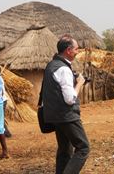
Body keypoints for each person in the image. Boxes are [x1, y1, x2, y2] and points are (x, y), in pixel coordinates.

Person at [42, 35, 90, 174]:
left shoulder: (51, 65)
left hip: (55, 116)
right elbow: (70, 99)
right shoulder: (64, 69)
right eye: (76, 49)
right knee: (83, 148)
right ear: (68, 50)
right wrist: (80, 84)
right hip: (67, 115)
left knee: (65, 150)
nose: (77, 51)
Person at [0, 67, 12, 138]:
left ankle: (7, 133)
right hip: (3, 100)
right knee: (0, 118)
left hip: (1, 100)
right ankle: (4, 132)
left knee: (0, 118)